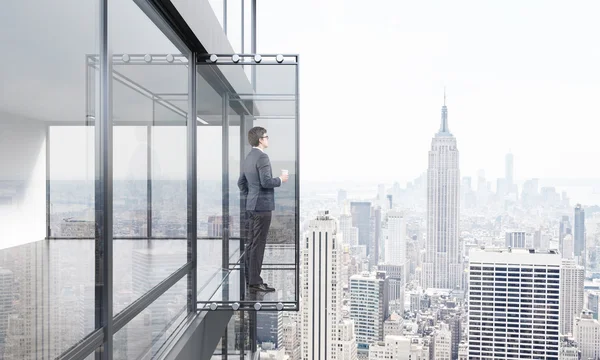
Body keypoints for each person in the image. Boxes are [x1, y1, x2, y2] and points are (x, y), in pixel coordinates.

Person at [238, 127, 288, 292]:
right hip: (262, 207)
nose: (268, 139)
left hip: (251, 205)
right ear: (260, 139)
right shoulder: (262, 157)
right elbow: (266, 182)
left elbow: (241, 183)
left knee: (252, 243)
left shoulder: (248, 157)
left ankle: (250, 278)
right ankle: (254, 282)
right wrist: (281, 179)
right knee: (258, 244)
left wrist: (251, 196)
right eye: (266, 136)